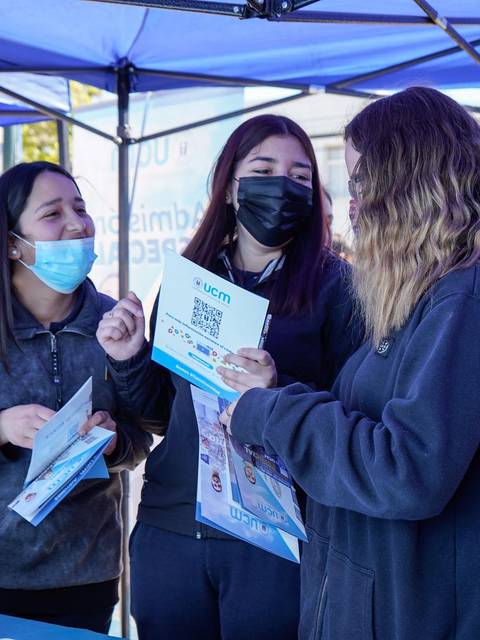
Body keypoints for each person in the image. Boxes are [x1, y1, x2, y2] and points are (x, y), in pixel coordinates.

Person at [221, 87, 480, 639]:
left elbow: (406, 469)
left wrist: (271, 413)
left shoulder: (463, 300)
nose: (353, 206)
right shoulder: (424, 297)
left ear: (408, 184)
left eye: (361, 185)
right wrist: (277, 394)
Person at [97, 114, 362, 640]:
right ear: (232, 186)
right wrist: (130, 357)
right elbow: (158, 414)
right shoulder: (189, 281)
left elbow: (353, 413)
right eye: (263, 168)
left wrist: (277, 392)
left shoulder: (340, 289)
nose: (283, 185)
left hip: (275, 538)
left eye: (301, 177)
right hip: (171, 528)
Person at [0, 161, 151, 634]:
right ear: (12, 244)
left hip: (88, 574)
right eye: (52, 213)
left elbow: (142, 434)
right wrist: (2, 426)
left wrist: (113, 441)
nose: (75, 223)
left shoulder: (115, 324)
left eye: (80, 208)